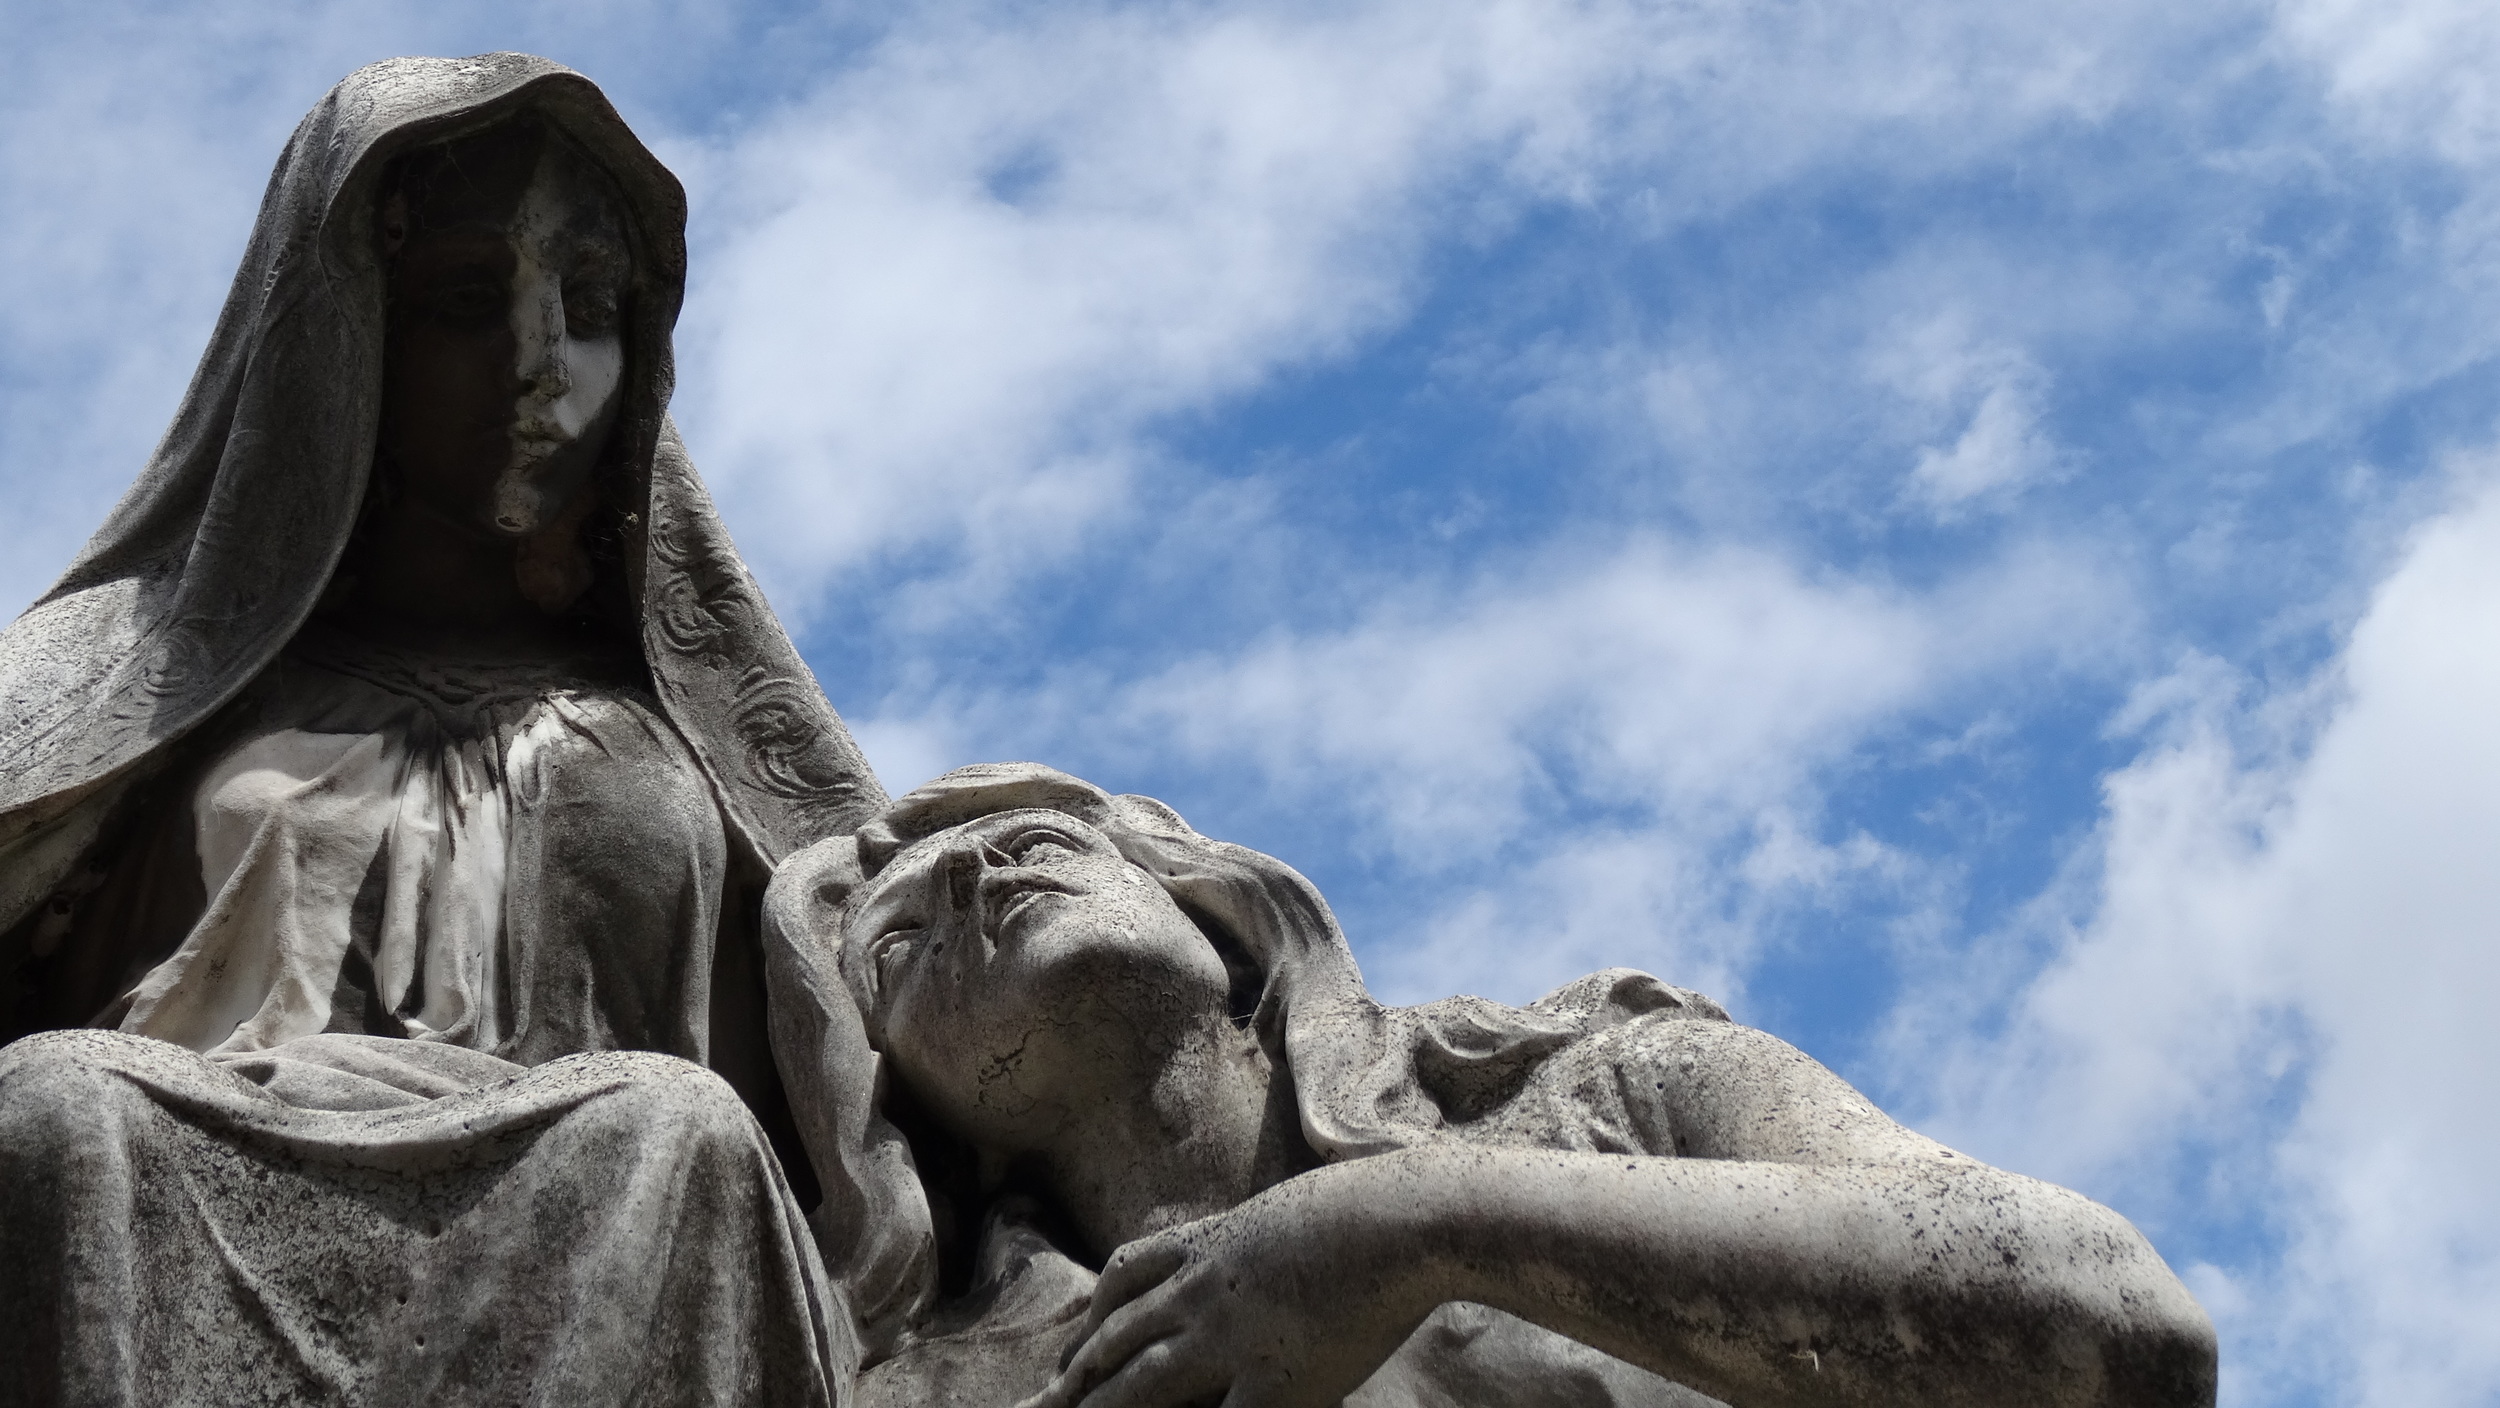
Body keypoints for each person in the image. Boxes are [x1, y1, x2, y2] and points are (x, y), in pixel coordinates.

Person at [0, 54, 920, 1404]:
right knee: (61, 1106)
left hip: (609, 1174)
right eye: (463, 301)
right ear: (343, 333)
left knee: (677, 1126)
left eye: (590, 304)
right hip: (191, 1137)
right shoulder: (154, 696)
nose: (541, 365)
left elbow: (924, 1003)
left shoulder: (694, 731)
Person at [763, 763, 2220, 1408]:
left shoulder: (1612, 1093)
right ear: (916, 1117)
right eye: (893, 945)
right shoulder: (961, 1386)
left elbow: (2108, 1320)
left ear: (1212, 904)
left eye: (1034, 841)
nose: (961, 871)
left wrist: (1416, 1225)